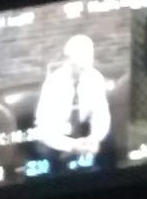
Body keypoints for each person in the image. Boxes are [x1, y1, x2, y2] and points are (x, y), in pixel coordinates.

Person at [33, 34, 113, 170]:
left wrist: (95, 138)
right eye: (82, 55)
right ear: (69, 57)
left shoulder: (95, 78)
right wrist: (70, 145)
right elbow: (44, 126)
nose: (87, 60)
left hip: (85, 137)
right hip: (58, 141)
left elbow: (101, 115)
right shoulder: (53, 82)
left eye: (89, 54)